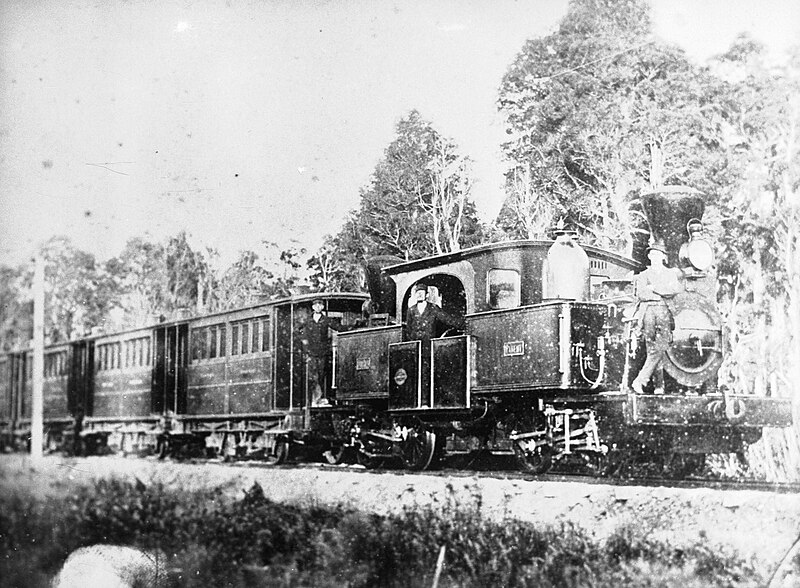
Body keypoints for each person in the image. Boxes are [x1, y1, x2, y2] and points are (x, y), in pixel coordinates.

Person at [631, 241, 683, 395]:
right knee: (652, 348)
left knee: (661, 346)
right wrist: (661, 292)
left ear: (663, 257)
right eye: (652, 254)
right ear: (649, 256)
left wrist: (654, 288)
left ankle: (640, 381)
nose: (654, 257)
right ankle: (659, 386)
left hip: (664, 311)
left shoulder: (670, 274)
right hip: (648, 313)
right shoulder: (643, 275)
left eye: (657, 254)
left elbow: (674, 290)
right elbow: (641, 294)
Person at [302, 299, 337, 406]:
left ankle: (322, 398)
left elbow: (338, 327)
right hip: (311, 353)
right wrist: (304, 341)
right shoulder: (307, 320)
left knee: (322, 376)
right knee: (313, 377)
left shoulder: (326, 320)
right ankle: (315, 399)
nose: (318, 306)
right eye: (316, 305)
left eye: (320, 305)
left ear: (322, 307)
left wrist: (352, 327)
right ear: (313, 307)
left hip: (323, 352)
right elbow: (296, 330)